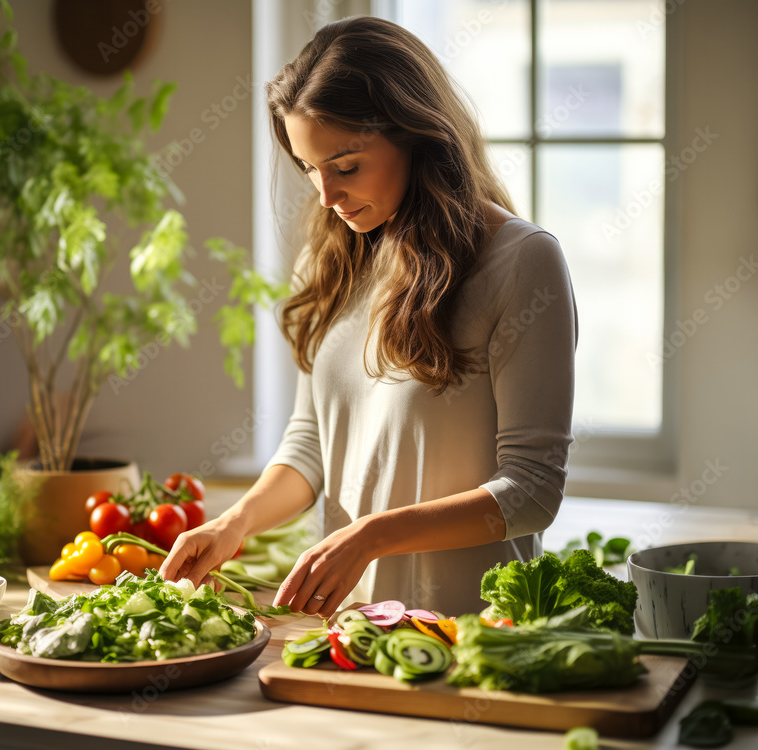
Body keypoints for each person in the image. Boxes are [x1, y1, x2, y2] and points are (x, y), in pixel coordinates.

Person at [158, 16, 578, 619]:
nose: (325, 195)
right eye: (308, 168)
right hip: (347, 629)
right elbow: (312, 442)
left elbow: (534, 491)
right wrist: (234, 524)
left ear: (418, 135)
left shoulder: (523, 261)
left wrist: (373, 534)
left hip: (472, 632)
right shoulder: (331, 258)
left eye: (345, 166)